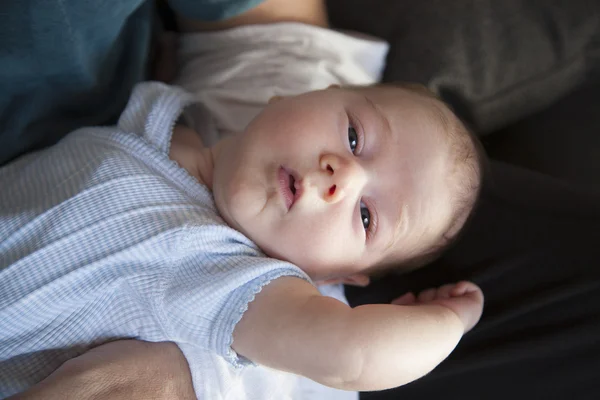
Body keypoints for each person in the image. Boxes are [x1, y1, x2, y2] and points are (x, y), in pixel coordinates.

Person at [0, 1, 487, 397]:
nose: (345, 175)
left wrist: (448, 321)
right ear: (306, 94)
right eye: (355, 137)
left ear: (334, 277)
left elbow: (352, 355)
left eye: (365, 217)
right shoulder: (162, 116)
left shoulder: (237, 284)